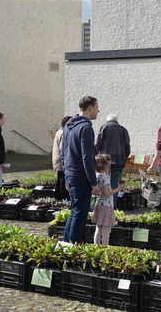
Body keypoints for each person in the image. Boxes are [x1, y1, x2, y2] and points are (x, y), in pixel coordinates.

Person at [61, 96, 100, 243]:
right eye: (97, 107)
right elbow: (87, 157)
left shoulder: (68, 126)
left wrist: (66, 175)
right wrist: (94, 183)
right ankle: (73, 247)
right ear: (90, 108)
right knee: (80, 214)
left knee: (74, 212)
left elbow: (63, 153)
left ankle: (66, 244)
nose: (98, 110)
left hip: (71, 174)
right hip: (81, 177)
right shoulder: (86, 127)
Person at [95, 114, 130, 209]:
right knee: (115, 181)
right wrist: (125, 158)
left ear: (107, 120)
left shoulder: (104, 127)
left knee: (103, 180)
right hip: (119, 159)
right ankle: (113, 205)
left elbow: (98, 143)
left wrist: (95, 157)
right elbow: (127, 145)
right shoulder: (123, 129)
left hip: (104, 159)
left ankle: (103, 203)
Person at [92, 154, 126, 245]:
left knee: (98, 227)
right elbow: (107, 193)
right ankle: (104, 248)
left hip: (99, 204)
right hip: (107, 205)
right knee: (106, 229)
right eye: (108, 163)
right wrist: (119, 188)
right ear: (102, 164)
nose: (110, 165)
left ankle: (96, 247)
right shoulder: (105, 177)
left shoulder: (97, 175)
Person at [52, 116, 72, 200]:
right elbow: (62, 148)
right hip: (61, 160)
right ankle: (62, 199)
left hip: (57, 159)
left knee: (60, 179)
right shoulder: (64, 133)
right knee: (62, 181)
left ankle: (58, 198)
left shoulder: (59, 131)